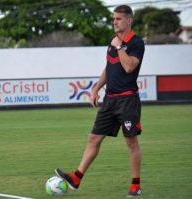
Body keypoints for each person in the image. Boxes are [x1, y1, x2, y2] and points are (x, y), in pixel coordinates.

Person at [55, 5, 145, 197]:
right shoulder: (112, 42)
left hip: (128, 100)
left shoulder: (136, 43)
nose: (114, 21)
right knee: (93, 138)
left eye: (118, 19)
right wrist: (96, 88)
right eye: (114, 18)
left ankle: (135, 186)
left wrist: (119, 46)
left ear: (129, 20)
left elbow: (129, 67)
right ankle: (77, 177)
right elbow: (109, 68)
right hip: (110, 100)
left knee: (131, 143)